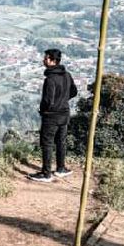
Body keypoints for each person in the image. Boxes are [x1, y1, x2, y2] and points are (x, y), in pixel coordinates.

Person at [29, 48, 79, 183]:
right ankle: (61, 169)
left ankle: (46, 174)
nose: (43, 60)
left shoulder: (50, 79)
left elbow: (48, 101)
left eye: (45, 58)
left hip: (51, 117)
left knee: (47, 143)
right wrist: (62, 101)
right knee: (61, 142)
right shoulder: (67, 75)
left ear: (52, 61)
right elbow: (74, 91)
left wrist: (43, 111)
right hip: (64, 114)